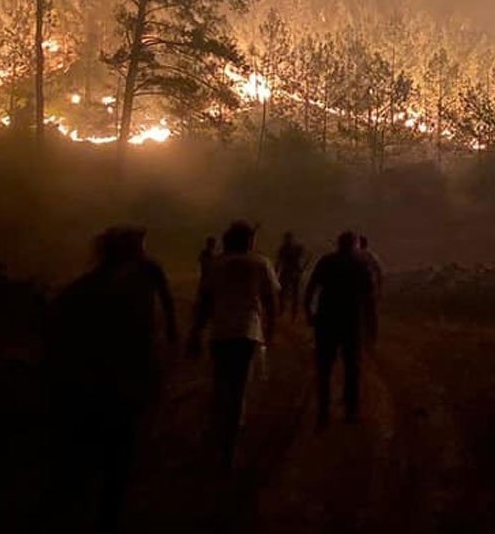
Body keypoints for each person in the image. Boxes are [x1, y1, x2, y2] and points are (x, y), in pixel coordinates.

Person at [45, 226, 176, 534]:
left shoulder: (79, 290)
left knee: (84, 461)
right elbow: (144, 342)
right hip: (122, 389)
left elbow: (54, 334)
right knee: (117, 463)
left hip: (85, 390)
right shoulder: (134, 288)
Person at [187, 220, 278, 468]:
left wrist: (195, 334)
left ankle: (218, 437)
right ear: (249, 240)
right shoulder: (261, 263)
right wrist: (270, 331)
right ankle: (229, 446)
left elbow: (203, 303)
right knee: (238, 389)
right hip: (247, 332)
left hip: (220, 332)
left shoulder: (216, 264)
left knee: (221, 384)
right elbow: (270, 301)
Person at [305, 231, 378, 429]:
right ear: (355, 245)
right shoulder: (361, 265)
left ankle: (323, 410)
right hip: (351, 322)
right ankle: (350, 410)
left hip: (326, 320)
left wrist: (308, 313)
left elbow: (311, 288)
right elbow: (370, 299)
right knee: (352, 367)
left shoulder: (326, 261)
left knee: (324, 367)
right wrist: (372, 327)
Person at [276, 231, 306, 322]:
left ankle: (293, 314)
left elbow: (280, 262)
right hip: (289, 272)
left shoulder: (294, 248)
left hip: (292, 272)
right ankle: (286, 312)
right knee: (286, 294)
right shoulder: (286, 248)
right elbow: (279, 262)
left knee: (293, 295)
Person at [359, 234, 385, 303]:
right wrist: (379, 288)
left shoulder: (355, 255)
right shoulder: (370, 255)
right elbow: (379, 271)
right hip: (368, 286)